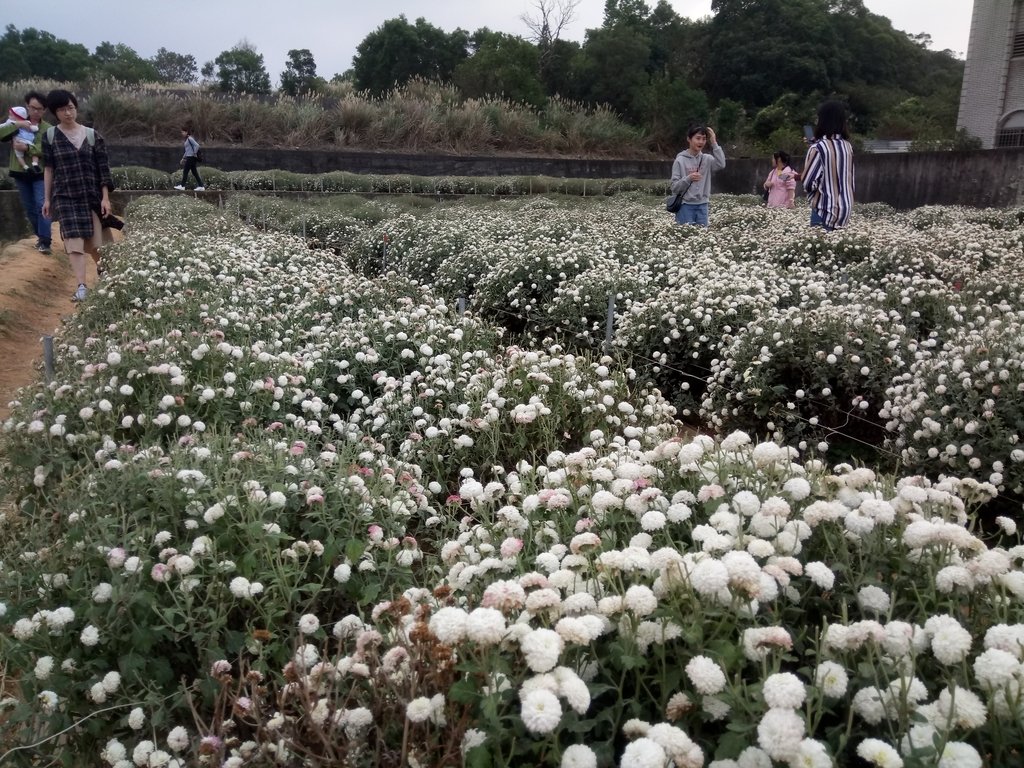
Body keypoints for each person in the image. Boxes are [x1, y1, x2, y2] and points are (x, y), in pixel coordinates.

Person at [41, 89, 114, 303]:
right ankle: (81, 286)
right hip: (65, 197)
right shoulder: (50, 136)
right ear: (55, 112)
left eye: (71, 108)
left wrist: (105, 197)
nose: (68, 113)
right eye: (62, 110)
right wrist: (47, 199)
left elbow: (103, 169)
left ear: (76, 108)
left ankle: (108, 277)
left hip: (91, 197)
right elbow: (49, 169)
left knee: (96, 245)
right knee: (74, 243)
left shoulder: (92, 136)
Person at [0, 91, 52, 253]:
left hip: (40, 173)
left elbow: (45, 149)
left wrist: (27, 148)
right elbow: (1, 134)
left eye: (40, 109)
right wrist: (18, 125)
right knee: (29, 207)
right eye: (32, 107)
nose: (35, 112)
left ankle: (45, 240)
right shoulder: (16, 121)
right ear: (27, 106)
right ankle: (40, 237)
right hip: (20, 172)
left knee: (41, 204)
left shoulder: (47, 128)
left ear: (44, 110)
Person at [802, 101, 854, 230]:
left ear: (822, 120)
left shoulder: (817, 148)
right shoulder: (848, 147)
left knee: (820, 249)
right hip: (845, 211)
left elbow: (808, 183)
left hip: (823, 211)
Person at [669, 125, 726, 227]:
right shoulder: (680, 160)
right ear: (689, 139)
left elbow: (721, 164)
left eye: (704, 139)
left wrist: (714, 142)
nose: (701, 142)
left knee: (702, 238)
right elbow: (674, 187)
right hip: (685, 206)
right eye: (698, 138)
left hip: (703, 206)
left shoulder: (707, 159)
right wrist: (688, 178)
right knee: (685, 238)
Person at [174, 126, 204, 191]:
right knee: (194, 172)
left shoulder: (190, 138)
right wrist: (183, 158)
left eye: (183, 132)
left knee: (185, 171)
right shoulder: (187, 139)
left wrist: (194, 153)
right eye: (181, 132)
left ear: (186, 132)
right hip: (189, 157)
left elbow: (197, 145)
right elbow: (187, 151)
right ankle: (201, 186)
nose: (182, 133)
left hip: (191, 158)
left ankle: (182, 186)